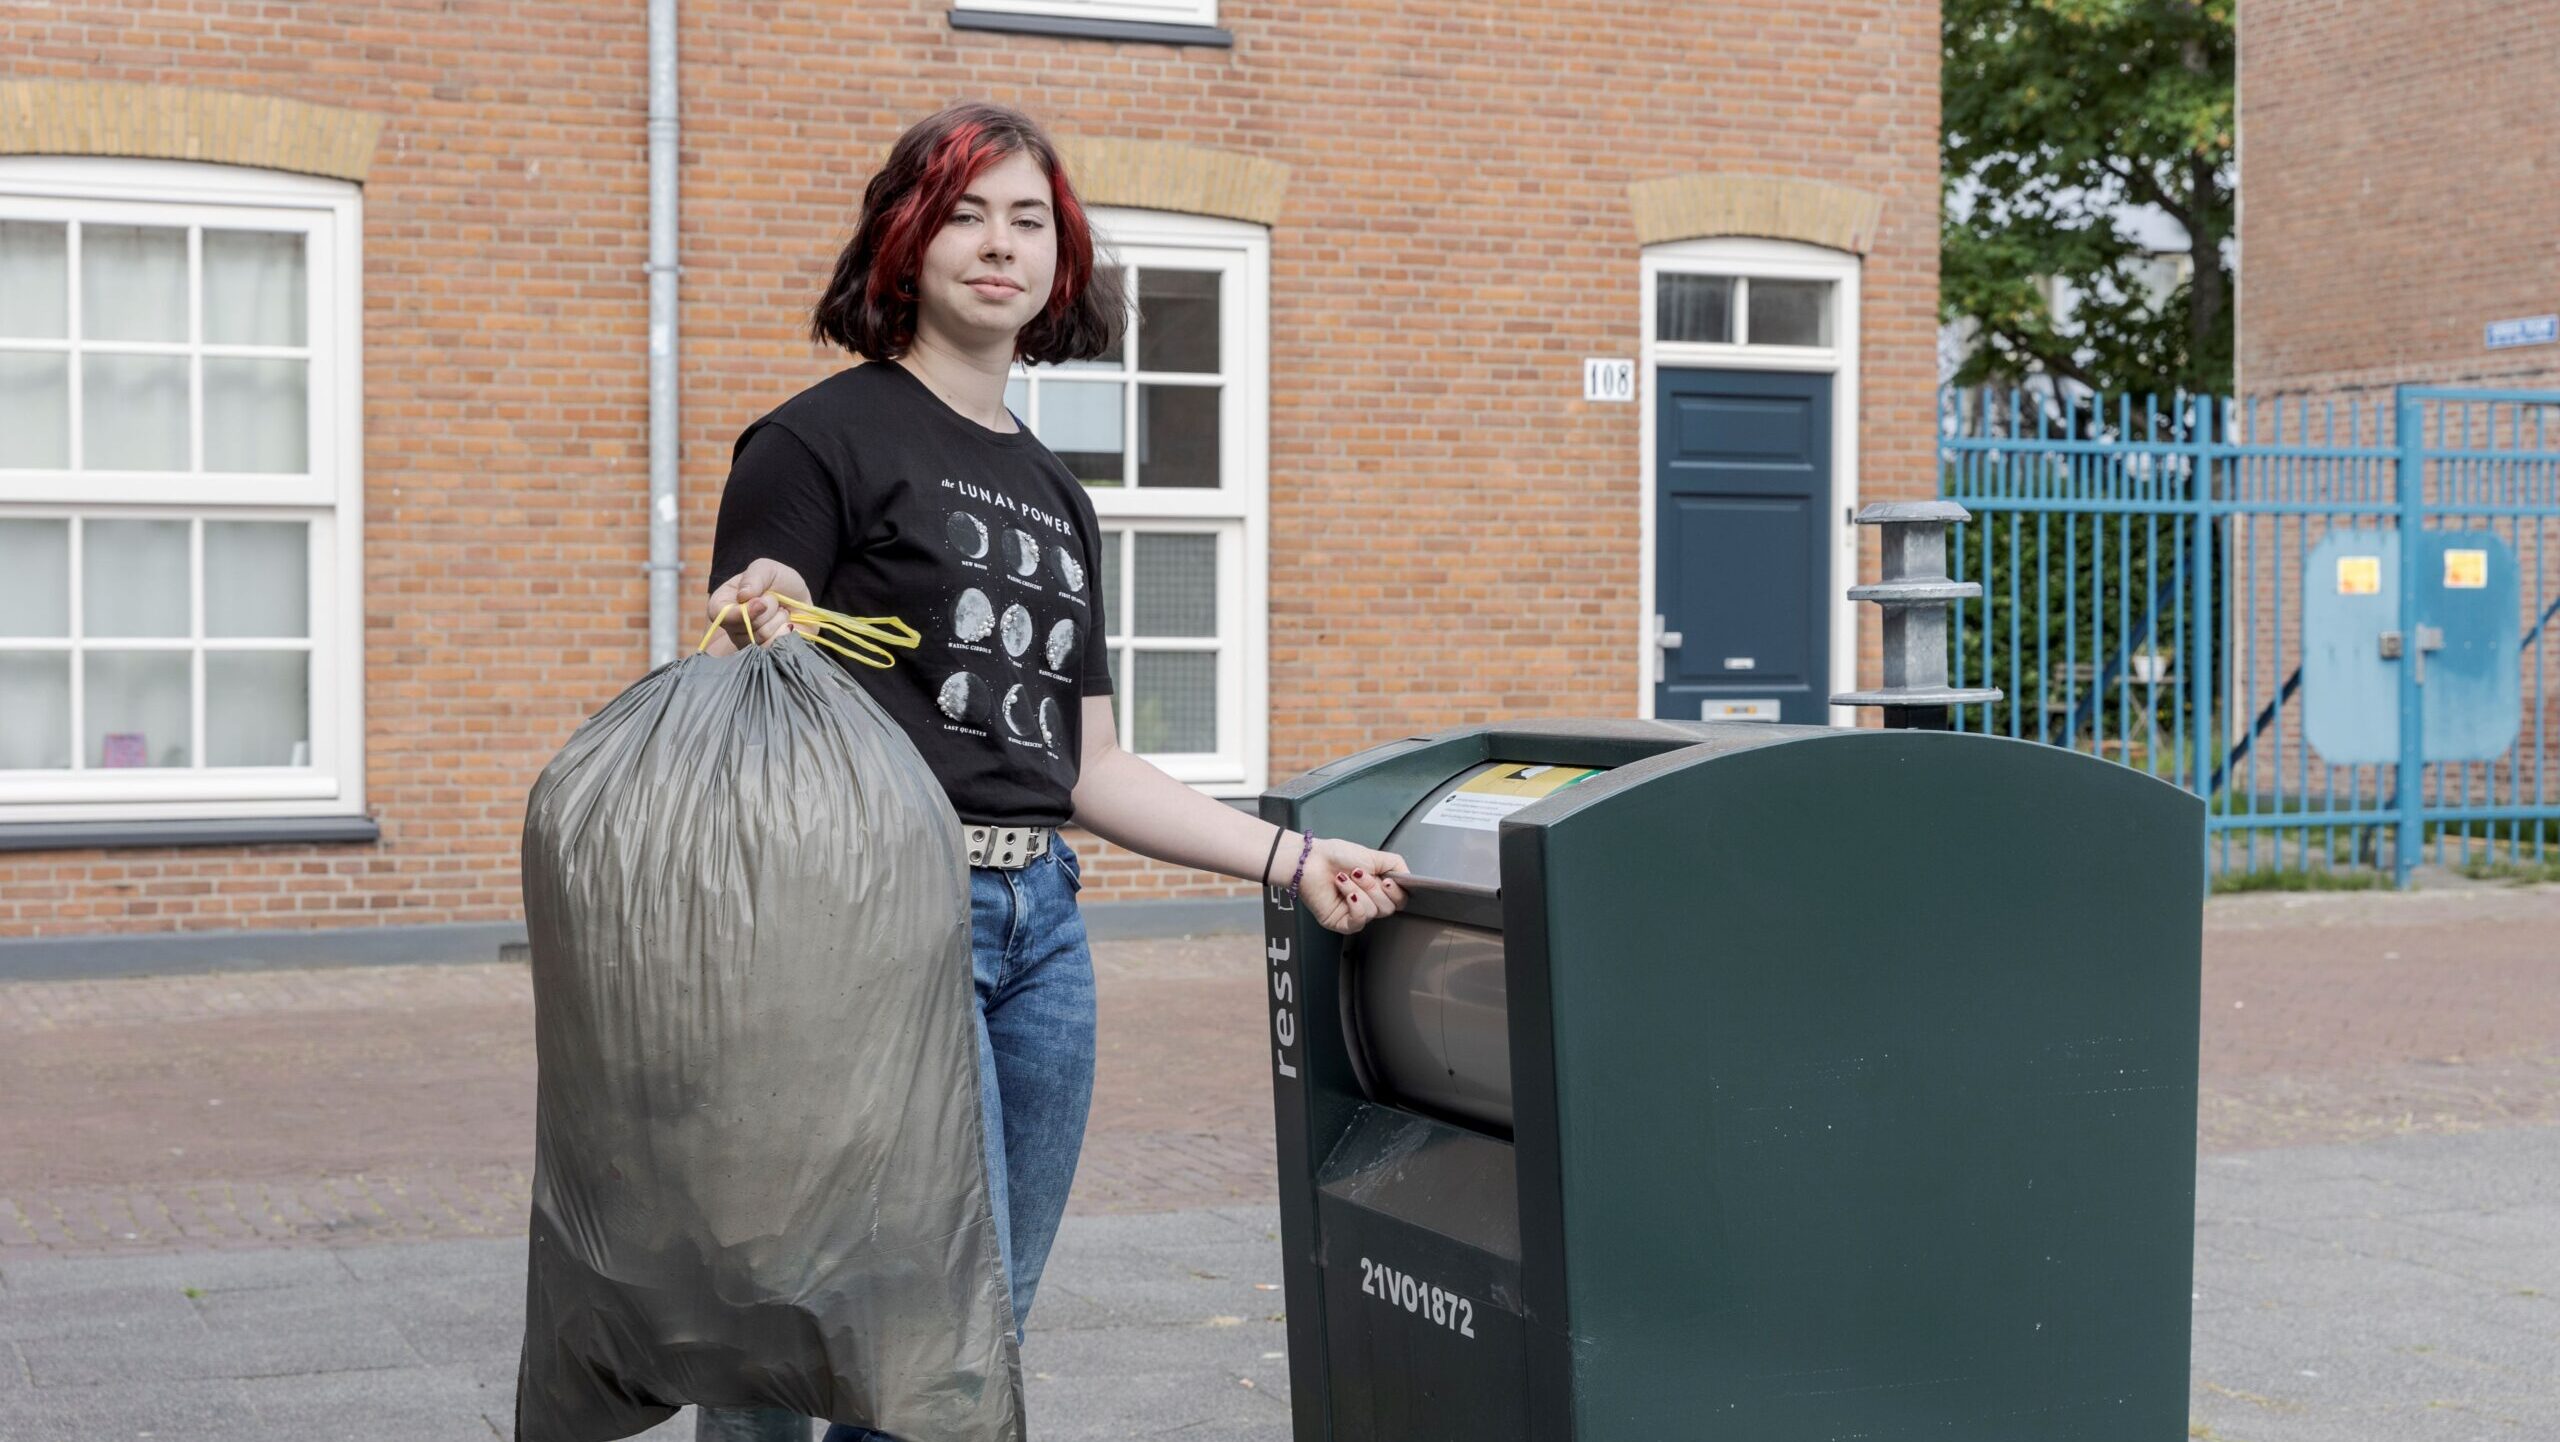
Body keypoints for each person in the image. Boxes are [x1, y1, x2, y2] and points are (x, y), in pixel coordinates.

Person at [694, 101, 1407, 1442]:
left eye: (1028, 218)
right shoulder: (817, 439)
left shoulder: (1057, 495)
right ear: (904, 242)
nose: (997, 243)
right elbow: (764, 593)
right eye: (964, 212)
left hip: (1044, 933)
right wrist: (762, 600)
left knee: (984, 1321)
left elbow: (1090, 765)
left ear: (1061, 261)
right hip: (884, 918)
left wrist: (1296, 859)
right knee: (901, 1325)